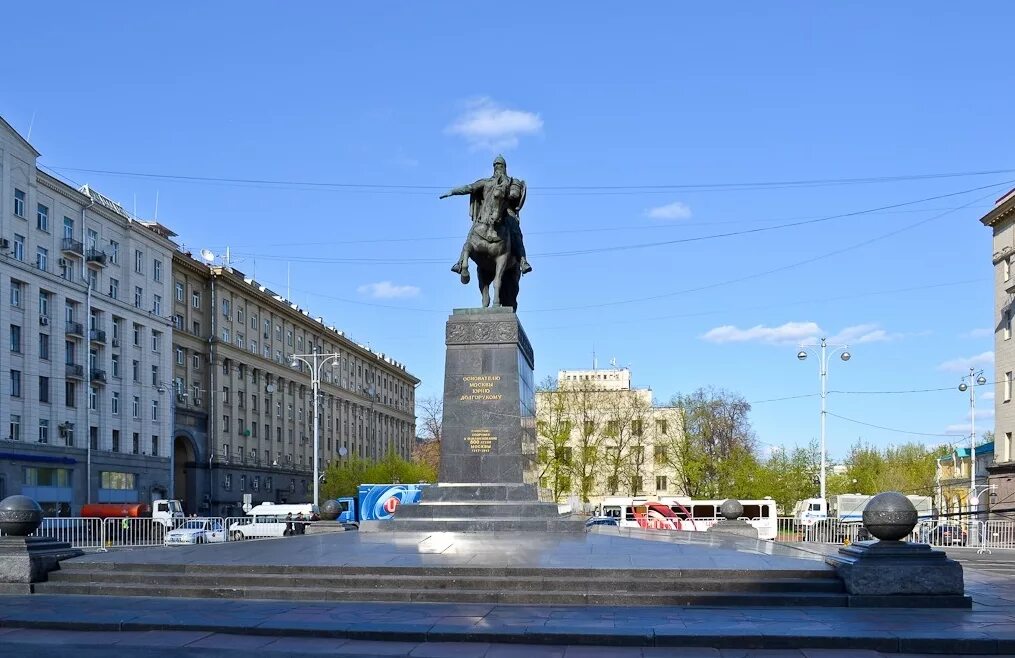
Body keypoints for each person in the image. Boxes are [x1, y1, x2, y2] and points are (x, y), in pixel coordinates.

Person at [441, 154, 531, 284]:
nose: (497, 168)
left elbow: (516, 195)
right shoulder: (486, 182)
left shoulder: (512, 181)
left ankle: (523, 261)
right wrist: (453, 191)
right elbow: (469, 188)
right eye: (495, 165)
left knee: (515, 232)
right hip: (486, 214)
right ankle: (461, 263)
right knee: (472, 233)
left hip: (506, 212)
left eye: (500, 165)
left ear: (504, 167)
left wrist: (507, 191)